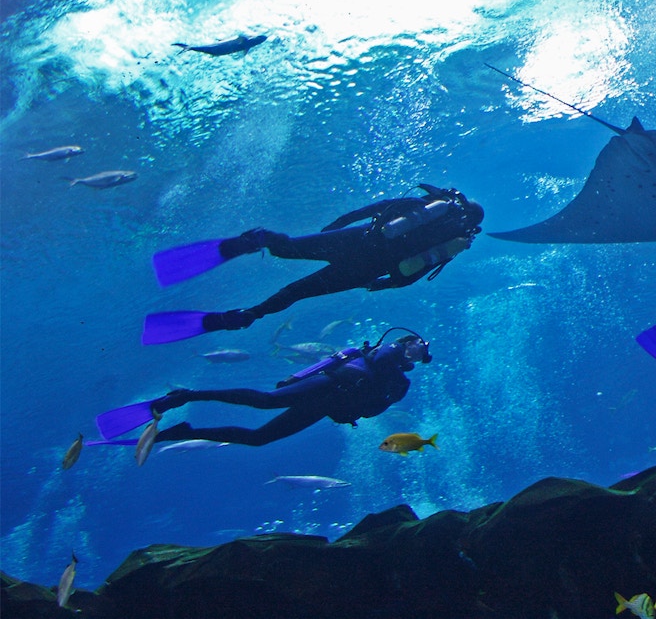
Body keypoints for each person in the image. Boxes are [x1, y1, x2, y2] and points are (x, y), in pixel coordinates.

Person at [143, 185, 483, 344]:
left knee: (287, 248)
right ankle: (248, 315)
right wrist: (378, 283)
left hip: (359, 239)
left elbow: (380, 206)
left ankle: (257, 239)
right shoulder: (452, 244)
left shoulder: (432, 205)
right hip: (366, 270)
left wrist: (341, 221)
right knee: (296, 291)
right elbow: (413, 274)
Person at [93, 329, 430, 447]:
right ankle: (185, 395)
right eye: (417, 346)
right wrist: (297, 379)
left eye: (420, 352)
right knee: (266, 401)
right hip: (323, 386)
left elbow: (375, 410)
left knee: (259, 439)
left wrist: (352, 412)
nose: (418, 353)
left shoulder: (401, 381)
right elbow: (331, 364)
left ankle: (184, 432)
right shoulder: (385, 352)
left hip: (324, 406)